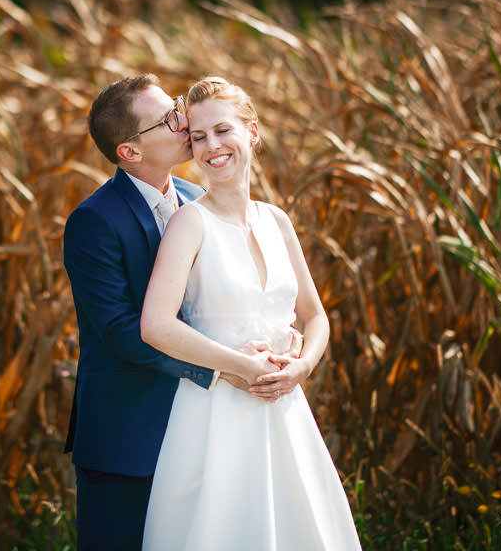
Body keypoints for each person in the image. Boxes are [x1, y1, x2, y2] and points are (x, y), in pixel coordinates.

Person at [63, 74, 300, 550]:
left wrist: (278, 337)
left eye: (177, 106)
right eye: (169, 118)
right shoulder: (94, 221)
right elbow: (120, 331)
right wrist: (221, 367)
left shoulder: (197, 201)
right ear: (130, 151)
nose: (184, 120)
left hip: (206, 426)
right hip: (129, 431)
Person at [140, 76, 362, 550]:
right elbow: (156, 325)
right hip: (215, 413)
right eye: (198, 136)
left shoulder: (276, 220)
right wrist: (242, 366)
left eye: (223, 130)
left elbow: (315, 316)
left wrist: (302, 367)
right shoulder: (189, 222)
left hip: (284, 406)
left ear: (252, 132)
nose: (211, 146)